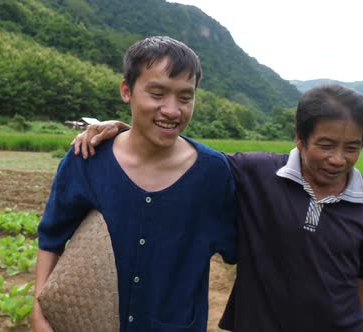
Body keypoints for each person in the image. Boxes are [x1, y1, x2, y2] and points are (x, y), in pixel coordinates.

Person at [71, 84, 363, 331]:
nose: (338, 159)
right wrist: (128, 131)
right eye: (325, 145)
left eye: (352, 147)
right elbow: (188, 158)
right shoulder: (257, 174)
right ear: (300, 138)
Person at [33, 36, 237, 332]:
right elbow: (51, 237)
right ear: (127, 90)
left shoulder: (213, 174)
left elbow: (240, 248)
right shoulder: (88, 159)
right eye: (157, 93)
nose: (171, 110)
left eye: (185, 97)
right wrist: (39, 311)